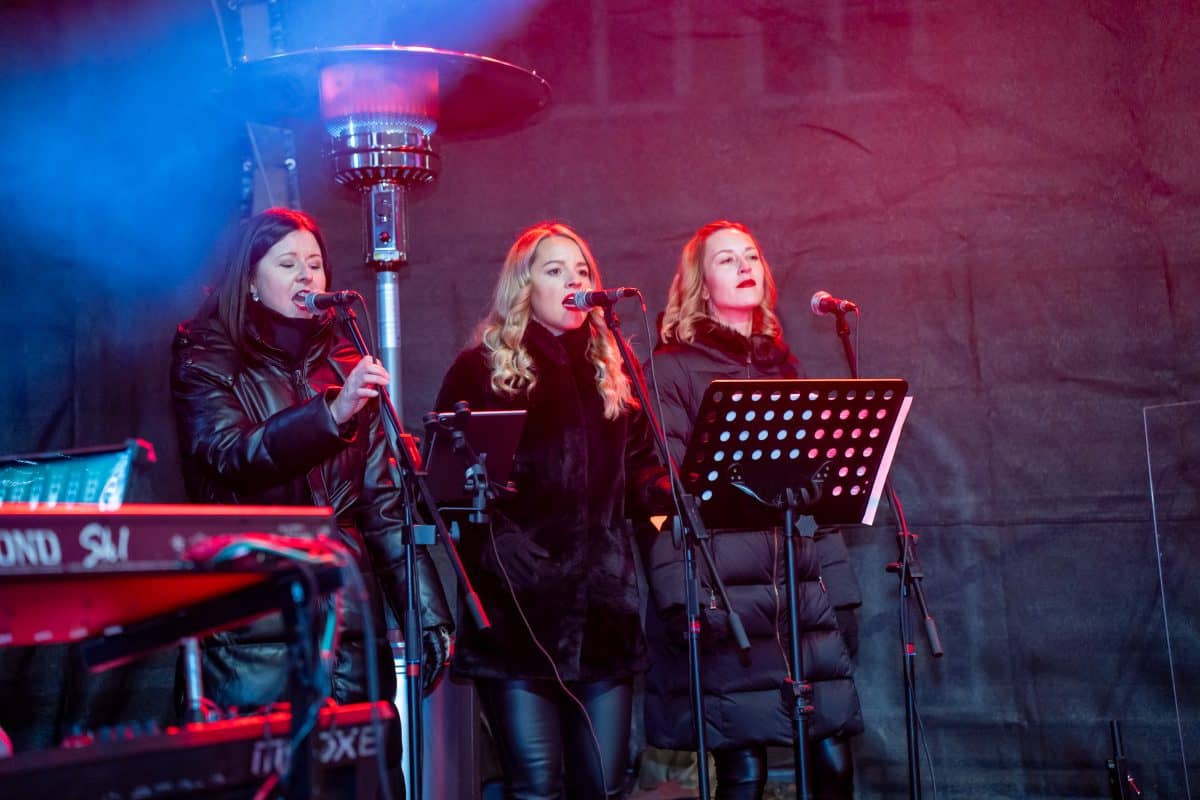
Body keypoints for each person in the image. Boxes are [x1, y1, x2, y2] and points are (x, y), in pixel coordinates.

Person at [170, 207, 453, 717]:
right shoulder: (205, 353)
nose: (307, 276)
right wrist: (332, 413)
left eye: (315, 264)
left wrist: (426, 613)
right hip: (256, 632)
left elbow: (382, 505)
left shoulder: (344, 361)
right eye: (288, 264)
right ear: (250, 281)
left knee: (363, 760)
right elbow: (231, 455)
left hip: (348, 629)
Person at [434, 222, 667, 800]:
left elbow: (642, 473)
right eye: (555, 271)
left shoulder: (613, 367)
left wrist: (669, 495)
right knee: (536, 787)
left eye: (581, 271)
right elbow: (446, 489)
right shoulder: (480, 369)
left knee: (604, 786)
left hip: (603, 617)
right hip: (519, 615)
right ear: (524, 285)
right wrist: (500, 546)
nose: (572, 282)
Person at [640, 220, 862, 800]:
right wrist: (680, 601)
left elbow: (814, 499)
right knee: (744, 775)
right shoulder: (670, 367)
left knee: (834, 763)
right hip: (728, 597)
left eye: (752, 256)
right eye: (726, 259)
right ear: (700, 284)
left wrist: (840, 592)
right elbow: (664, 495)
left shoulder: (783, 366)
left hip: (798, 593)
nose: (745, 267)